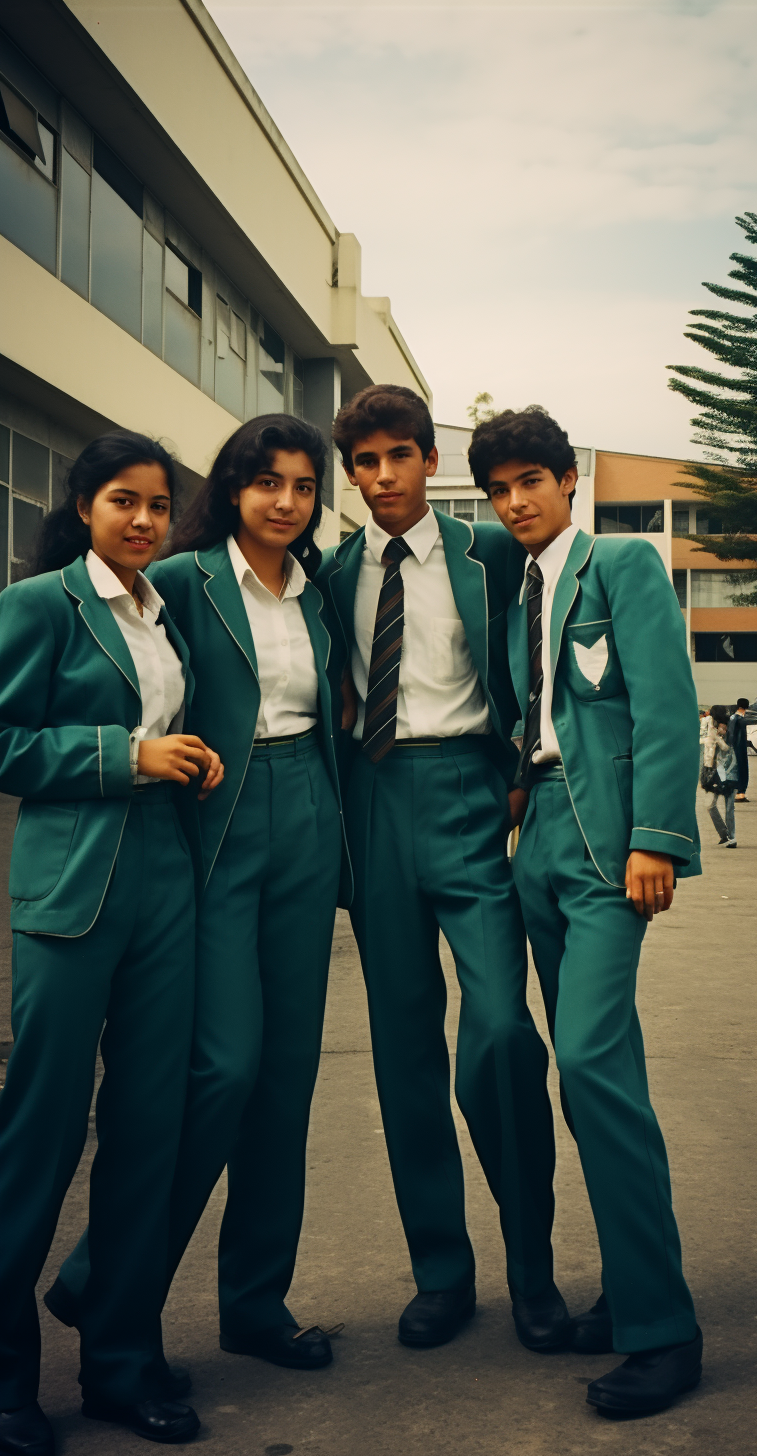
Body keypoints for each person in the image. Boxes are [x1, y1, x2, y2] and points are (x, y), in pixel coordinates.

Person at [47, 416, 349, 1377]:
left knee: (287, 1078)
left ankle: (257, 1303)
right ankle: (104, 1276)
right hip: (215, 819)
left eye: (303, 486)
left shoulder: (322, 589)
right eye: (267, 482)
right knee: (223, 1066)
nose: (286, 502)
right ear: (231, 489)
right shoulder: (177, 579)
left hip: (308, 808)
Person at [319, 384, 568, 1354]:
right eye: (365, 463)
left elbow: (538, 655)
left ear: (429, 461)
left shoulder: (492, 552)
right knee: (403, 1054)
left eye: (398, 457)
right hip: (373, 803)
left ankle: (533, 1269)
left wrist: (518, 765)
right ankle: (442, 1272)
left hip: (473, 794)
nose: (382, 477)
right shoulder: (333, 569)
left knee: (503, 1033)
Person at [470, 406, 702, 1418]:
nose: (516, 501)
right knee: (583, 1074)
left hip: (611, 840)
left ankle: (665, 1330)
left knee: (596, 1062)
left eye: (532, 480)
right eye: (500, 488)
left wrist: (659, 835)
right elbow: (535, 714)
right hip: (542, 850)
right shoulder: (517, 588)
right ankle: (626, 1281)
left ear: (569, 482)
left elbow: (664, 702)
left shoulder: (621, 566)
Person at [0, 433, 224, 1452]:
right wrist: (121, 755)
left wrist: (186, 761)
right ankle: (7, 1383)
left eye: (158, 507)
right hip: (68, 891)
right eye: (123, 502)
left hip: (165, 886)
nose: (143, 521)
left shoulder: (165, 612)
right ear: (84, 505)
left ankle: (121, 1364)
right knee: (39, 1133)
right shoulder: (43, 603)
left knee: (148, 1129)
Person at [702, 707, 739, 847]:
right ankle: (724, 834)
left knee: (729, 807)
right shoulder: (711, 729)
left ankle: (731, 837)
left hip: (727, 772)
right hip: (713, 772)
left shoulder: (728, 731)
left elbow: (727, 749)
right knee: (710, 805)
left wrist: (717, 737)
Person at [729, 698, 750, 801]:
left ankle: (738, 791)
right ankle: (740, 792)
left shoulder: (732, 718)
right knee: (742, 769)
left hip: (735, 748)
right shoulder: (739, 719)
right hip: (739, 749)